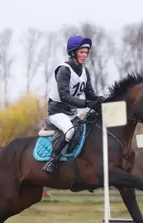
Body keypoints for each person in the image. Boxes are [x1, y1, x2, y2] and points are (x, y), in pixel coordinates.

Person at [42, 35, 105, 173]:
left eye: (86, 53)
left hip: (71, 112)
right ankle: (52, 160)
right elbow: (64, 96)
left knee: (85, 131)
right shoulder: (63, 70)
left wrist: (101, 101)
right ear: (73, 53)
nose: (85, 55)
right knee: (70, 131)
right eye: (81, 52)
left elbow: (90, 95)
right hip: (57, 111)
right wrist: (88, 103)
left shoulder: (85, 71)